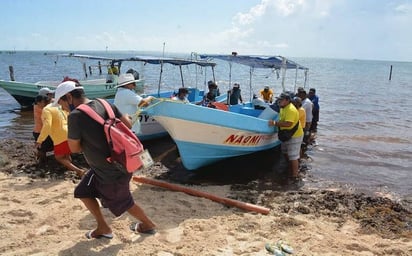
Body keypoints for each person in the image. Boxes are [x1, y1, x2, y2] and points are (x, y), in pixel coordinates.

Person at [66, 83, 156, 239]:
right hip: (118, 163)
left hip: (110, 171)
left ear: (69, 97)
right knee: (82, 192)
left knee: (124, 202)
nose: (63, 108)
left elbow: (74, 148)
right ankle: (103, 227)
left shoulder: (75, 117)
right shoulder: (105, 103)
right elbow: (127, 125)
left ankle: (148, 225)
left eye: (62, 104)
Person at [36, 81, 86, 177]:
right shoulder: (59, 105)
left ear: (42, 102)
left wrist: (40, 140)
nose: (38, 106)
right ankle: (69, 168)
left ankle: (78, 170)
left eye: (38, 103)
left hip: (60, 136)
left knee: (58, 157)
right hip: (69, 132)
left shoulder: (46, 110)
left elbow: (47, 126)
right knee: (65, 154)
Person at [268, 92, 303, 183]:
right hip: (286, 134)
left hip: (294, 135)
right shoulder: (283, 108)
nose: (279, 101)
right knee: (286, 152)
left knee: (293, 156)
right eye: (279, 99)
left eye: (281, 100)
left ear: (287, 100)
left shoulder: (290, 109)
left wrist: (275, 123)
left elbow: (289, 123)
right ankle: (289, 167)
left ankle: (295, 175)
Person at [33, 94, 53, 164]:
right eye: (44, 102)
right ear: (39, 102)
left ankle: (39, 156)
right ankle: (41, 163)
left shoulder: (37, 106)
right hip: (39, 131)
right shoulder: (40, 109)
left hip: (43, 131)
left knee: (43, 148)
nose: (45, 103)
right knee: (42, 149)